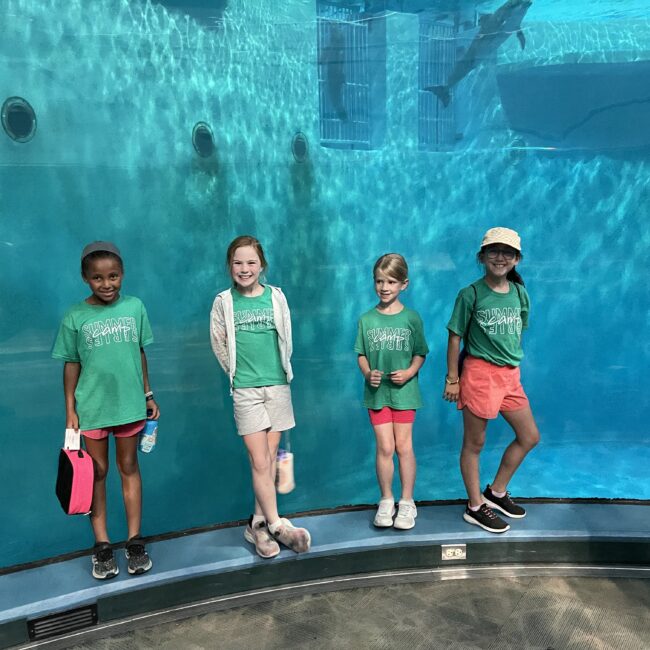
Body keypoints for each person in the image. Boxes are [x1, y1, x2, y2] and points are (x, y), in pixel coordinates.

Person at [52, 241, 160, 578]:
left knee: (129, 466)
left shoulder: (135, 308)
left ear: (122, 274)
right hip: (93, 410)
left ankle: (134, 540)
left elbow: (139, 353)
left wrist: (147, 394)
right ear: (86, 279)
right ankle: (101, 545)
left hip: (130, 406)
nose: (107, 284)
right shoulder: (75, 316)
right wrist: (70, 410)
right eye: (98, 278)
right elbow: (71, 365)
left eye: (113, 276)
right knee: (96, 473)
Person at [210, 235, 311, 559]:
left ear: (262, 265)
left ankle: (257, 524)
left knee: (268, 459)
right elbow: (219, 343)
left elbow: (287, 340)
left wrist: (280, 373)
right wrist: (238, 377)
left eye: (251, 262)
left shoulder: (276, 297)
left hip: (278, 386)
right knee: (258, 460)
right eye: (238, 263)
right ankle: (277, 525)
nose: (244, 268)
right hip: (246, 390)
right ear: (229, 266)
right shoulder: (223, 302)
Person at [443, 227, 539, 533]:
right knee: (475, 443)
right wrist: (452, 378)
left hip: (510, 376)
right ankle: (475, 506)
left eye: (507, 252)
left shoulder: (520, 293)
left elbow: (516, 333)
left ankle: (495, 492)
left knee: (529, 436)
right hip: (479, 374)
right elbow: (455, 338)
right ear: (482, 256)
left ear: (517, 259)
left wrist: (508, 365)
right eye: (494, 251)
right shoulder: (470, 294)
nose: (500, 257)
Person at [355, 254, 428, 530]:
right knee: (385, 447)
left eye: (391, 282)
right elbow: (360, 354)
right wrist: (367, 372)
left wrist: (409, 372)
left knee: (403, 446)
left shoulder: (411, 318)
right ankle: (386, 499)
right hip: (377, 394)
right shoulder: (366, 319)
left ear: (404, 284)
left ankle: (407, 501)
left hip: (405, 394)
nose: (384, 287)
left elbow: (420, 353)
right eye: (379, 281)